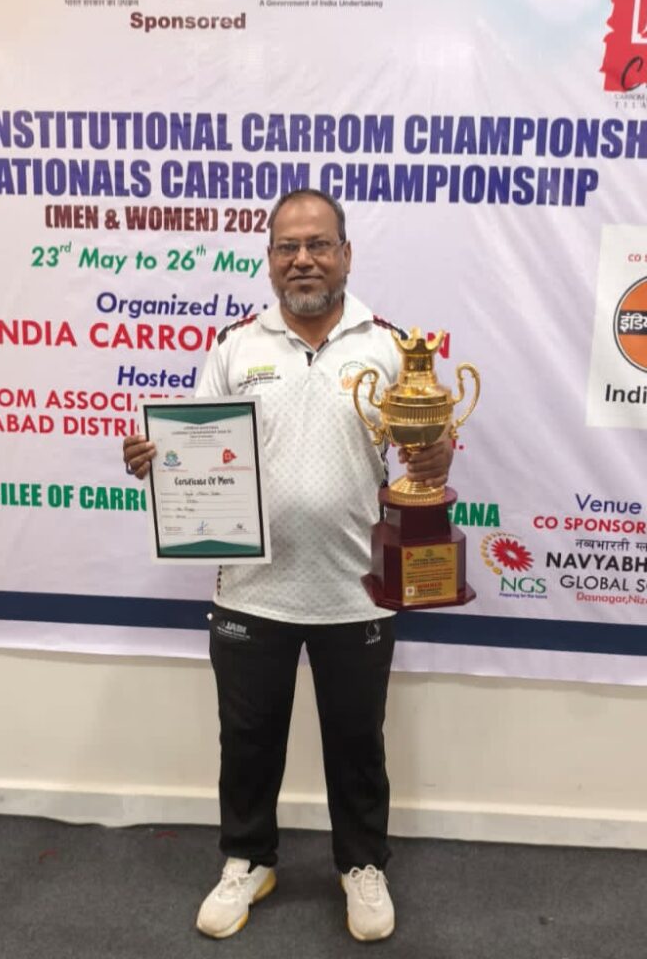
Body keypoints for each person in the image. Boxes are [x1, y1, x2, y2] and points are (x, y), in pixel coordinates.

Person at [123, 189, 452, 942]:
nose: (303, 259)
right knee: (247, 740)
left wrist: (434, 455)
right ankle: (247, 859)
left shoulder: (389, 346)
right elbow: (194, 445)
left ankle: (361, 865)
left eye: (318, 244)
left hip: (357, 590)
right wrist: (156, 456)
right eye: (287, 247)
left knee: (357, 743)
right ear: (270, 260)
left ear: (345, 254)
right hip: (251, 590)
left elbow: (424, 456)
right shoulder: (236, 347)